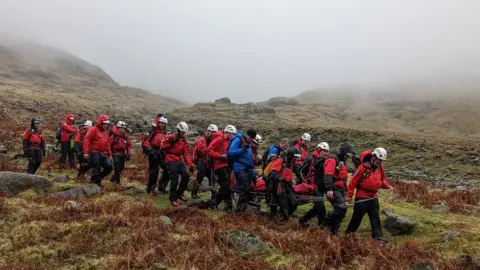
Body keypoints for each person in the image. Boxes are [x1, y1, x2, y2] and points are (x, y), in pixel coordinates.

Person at [345, 147, 393, 241]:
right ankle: (348, 235)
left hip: (373, 197)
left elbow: (381, 180)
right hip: (362, 196)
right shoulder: (363, 167)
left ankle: (377, 237)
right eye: (379, 160)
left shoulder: (380, 168)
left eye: (382, 161)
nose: (380, 162)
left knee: (375, 217)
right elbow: (353, 182)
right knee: (357, 218)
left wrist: (387, 186)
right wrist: (349, 195)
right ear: (374, 157)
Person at [298, 142, 332, 228]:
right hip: (313, 186)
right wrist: (305, 181)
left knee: (318, 206)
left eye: (327, 151)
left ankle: (303, 220)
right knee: (320, 206)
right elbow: (301, 171)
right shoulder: (311, 159)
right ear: (319, 149)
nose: (326, 153)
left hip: (320, 186)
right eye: (324, 151)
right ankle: (322, 225)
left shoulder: (325, 160)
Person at [161, 121, 194, 206]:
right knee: (174, 179)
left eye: (184, 132)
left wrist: (190, 165)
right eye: (182, 132)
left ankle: (179, 193)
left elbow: (186, 154)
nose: (183, 134)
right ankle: (173, 199)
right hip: (170, 158)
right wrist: (171, 144)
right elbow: (162, 147)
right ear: (178, 130)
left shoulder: (183, 140)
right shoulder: (171, 137)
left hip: (178, 160)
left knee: (186, 175)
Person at [266, 147, 301, 221]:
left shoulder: (290, 164)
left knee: (294, 203)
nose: (295, 160)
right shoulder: (280, 160)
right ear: (291, 156)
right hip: (278, 184)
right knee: (284, 204)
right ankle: (281, 219)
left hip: (287, 185)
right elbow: (273, 173)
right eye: (294, 158)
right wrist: (278, 178)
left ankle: (283, 218)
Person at [208, 125, 237, 212]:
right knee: (225, 184)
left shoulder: (229, 141)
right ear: (227, 133)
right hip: (218, 165)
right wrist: (220, 156)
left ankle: (214, 204)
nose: (233, 136)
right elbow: (210, 150)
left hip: (225, 165)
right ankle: (228, 205)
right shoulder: (219, 139)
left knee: (225, 185)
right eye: (232, 134)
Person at [228, 128, 257, 213]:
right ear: (247, 135)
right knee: (245, 188)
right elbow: (230, 152)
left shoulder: (248, 144)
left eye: (252, 138)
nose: (251, 139)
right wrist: (242, 149)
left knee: (248, 189)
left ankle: (243, 209)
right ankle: (239, 211)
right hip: (239, 168)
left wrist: (253, 174)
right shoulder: (238, 140)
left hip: (247, 170)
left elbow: (249, 161)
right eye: (251, 137)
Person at [83, 114, 113, 187]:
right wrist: (86, 152)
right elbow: (86, 140)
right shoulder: (93, 129)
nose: (106, 125)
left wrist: (110, 154)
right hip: (94, 151)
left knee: (109, 167)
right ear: (101, 123)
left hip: (103, 153)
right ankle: (94, 184)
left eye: (107, 124)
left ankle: (97, 179)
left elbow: (107, 144)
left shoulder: (106, 132)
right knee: (96, 168)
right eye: (104, 124)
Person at [143, 115, 169, 195]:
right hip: (153, 151)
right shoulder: (153, 131)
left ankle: (161, 187)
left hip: (161, 152)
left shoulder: (164, 132)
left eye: (164, 124)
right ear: (158, 122)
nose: (162, 125)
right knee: (154, 171)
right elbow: (146, 141)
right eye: (161, 123)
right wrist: (150, 150)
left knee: (168, 169)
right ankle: (151, 189)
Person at [191, 124, 218, 199]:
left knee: (212, 180)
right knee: (200, 177)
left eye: (214, 132)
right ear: (208, 132)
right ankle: (194, 193)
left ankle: (214, 196)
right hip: (202, 161)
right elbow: (194, 152)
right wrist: (195, 163)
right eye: (212, 132)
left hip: (211, 163)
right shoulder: (200, 141)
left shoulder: (216, 142)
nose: (213, 134)